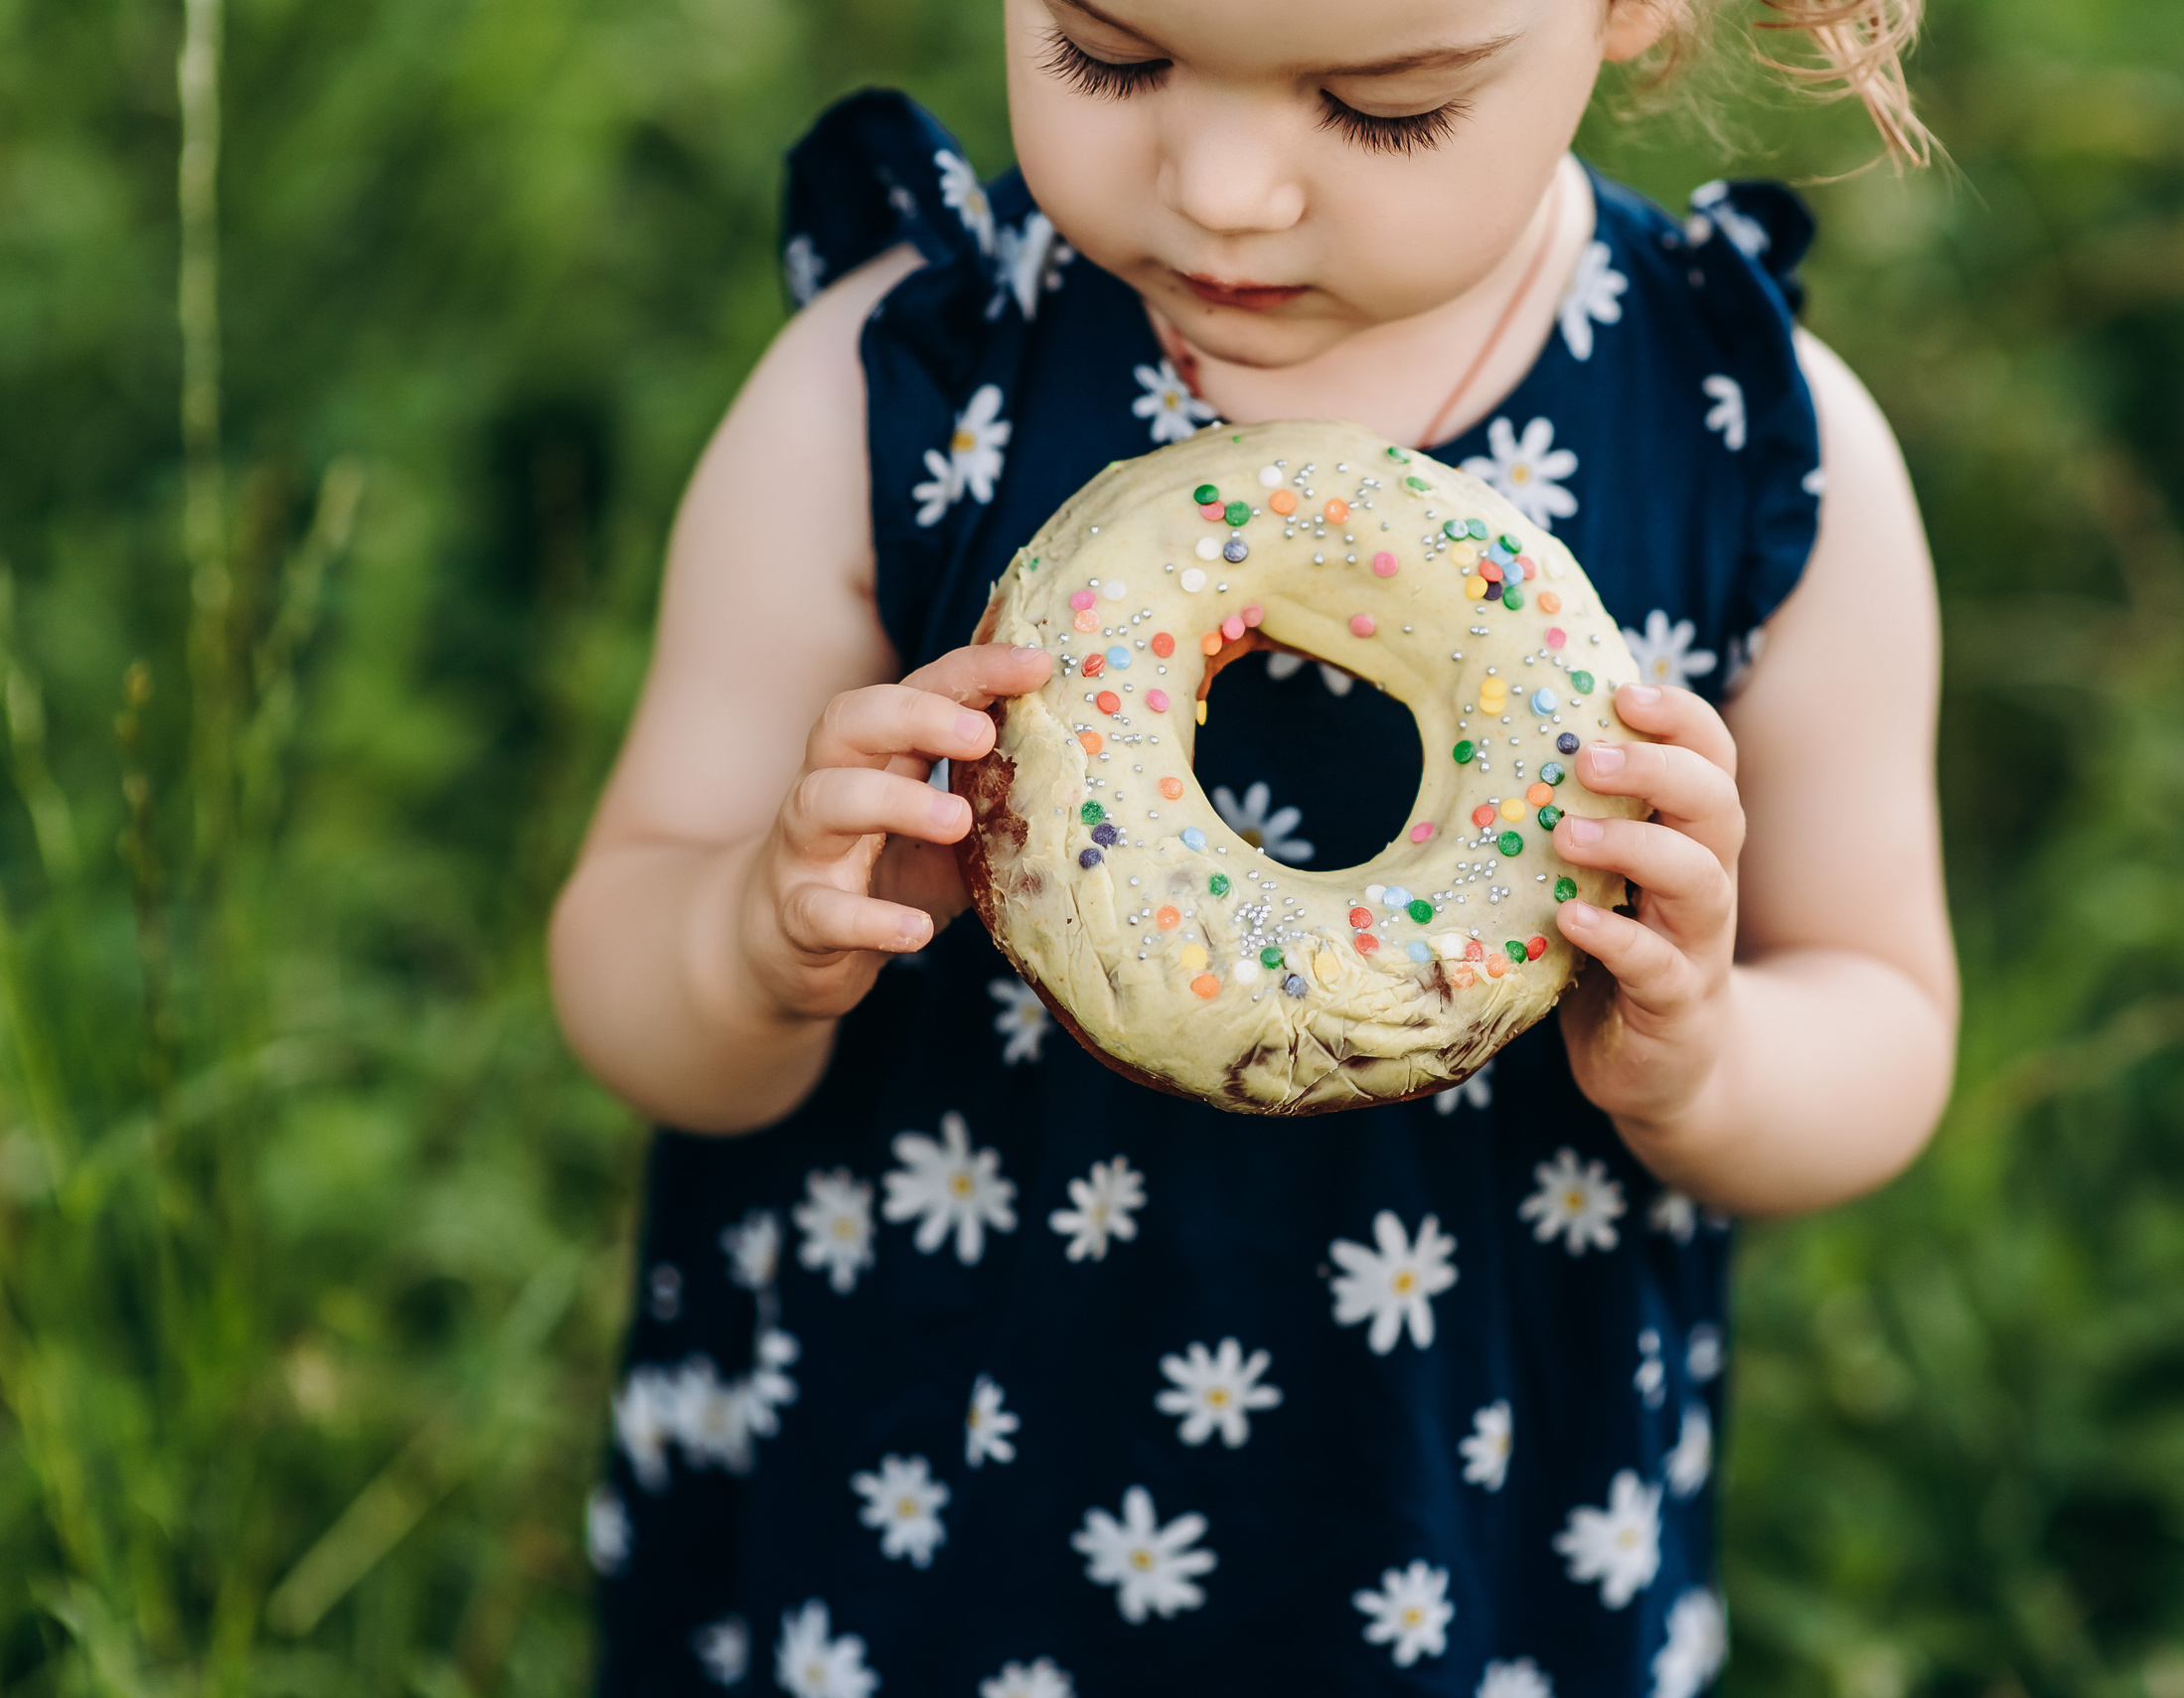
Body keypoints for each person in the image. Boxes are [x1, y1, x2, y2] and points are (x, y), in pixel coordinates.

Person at [549, 0, 1954, 1688]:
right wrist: (754, 945)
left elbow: (1884, 1015)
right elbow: (624, 970)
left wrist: (1709, 1057)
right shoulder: (907, 389)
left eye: (1380, 106)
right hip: (940, 1468)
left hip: (1454, 1502)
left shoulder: (1753, 450)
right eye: (1109, 55)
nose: (1218, 188)